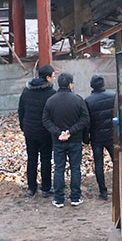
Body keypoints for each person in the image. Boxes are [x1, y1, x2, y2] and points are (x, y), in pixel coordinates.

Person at [42, 73, 90, 208]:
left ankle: (59, 199)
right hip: (75, 140)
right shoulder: (78, 100)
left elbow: (45, 120)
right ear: (70, 84)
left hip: (58, 141)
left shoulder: (51, 101)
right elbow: (85, 119)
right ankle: (75, 197)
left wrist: (59, 133)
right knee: (75, 169)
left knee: (59, 169)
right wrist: (71, 131)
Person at [18, 65, 56, 197]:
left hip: (30, 131)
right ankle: (46, 188)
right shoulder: (51, 94)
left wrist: (23, 127)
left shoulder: (26, 91)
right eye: (53, 75)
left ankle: (31, 188)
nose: (54, 78)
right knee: (46, 159)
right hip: (45, 133)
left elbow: (21, 111)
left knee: (32, 158)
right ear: (47, 78)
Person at [84, 73, 116, 200]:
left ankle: (103, 191)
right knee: (117, 162)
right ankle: (119, 187)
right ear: (104, 84)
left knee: (99, 164)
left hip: (96, 138)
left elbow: (87, 122)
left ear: (92, 86)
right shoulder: (113, 96)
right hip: (112, 136)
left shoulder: (88, 101)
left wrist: (86, 138)